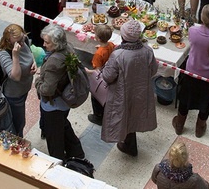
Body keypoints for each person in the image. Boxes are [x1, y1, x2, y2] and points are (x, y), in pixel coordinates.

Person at [98, 19, 158, 156]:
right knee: (135, 115)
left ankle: (128, 145)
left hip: (122, 93)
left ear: (124, 37)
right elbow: (154, 70)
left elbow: (107, 77)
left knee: (124, 115)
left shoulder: (118, 55)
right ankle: (130, 143)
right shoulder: (147, 51)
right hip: (141, 91)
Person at [172, 4, 209, 138]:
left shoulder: (193, 31)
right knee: (205, 103)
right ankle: (200, 128)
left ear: (202, 17)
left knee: (185, 99)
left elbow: (190, 42)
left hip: (191, 73)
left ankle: (179, 125)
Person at [35, 25, 85, 162]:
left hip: (53, 105)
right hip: (65, 101)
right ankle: (76, 151)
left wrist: (38, 81)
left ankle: (58, 162)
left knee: (54, 138)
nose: (44, 45)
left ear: (56, 43)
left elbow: (47, 90)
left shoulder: (54, 62)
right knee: (62, 124)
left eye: (47, 42)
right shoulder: (68, 47)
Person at [0, 24, 36, 136]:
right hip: (14, 94)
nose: (22, 43)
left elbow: (30, 53)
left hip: (25, 87)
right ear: (9, 42)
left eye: (22, 38)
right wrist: (15, 56)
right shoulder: (4, 53)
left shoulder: (24, 40)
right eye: (18, 42)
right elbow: (15, 76)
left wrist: (34, 63)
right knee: (19, 123)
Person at [87, 24, 116, 126]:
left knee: (96, 97)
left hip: (102, 77)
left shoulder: (98, 54)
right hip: (110, 72)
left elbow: (97, 71)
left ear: (98, 38)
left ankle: (98, 117)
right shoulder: (111, 45)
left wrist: (87, 71)